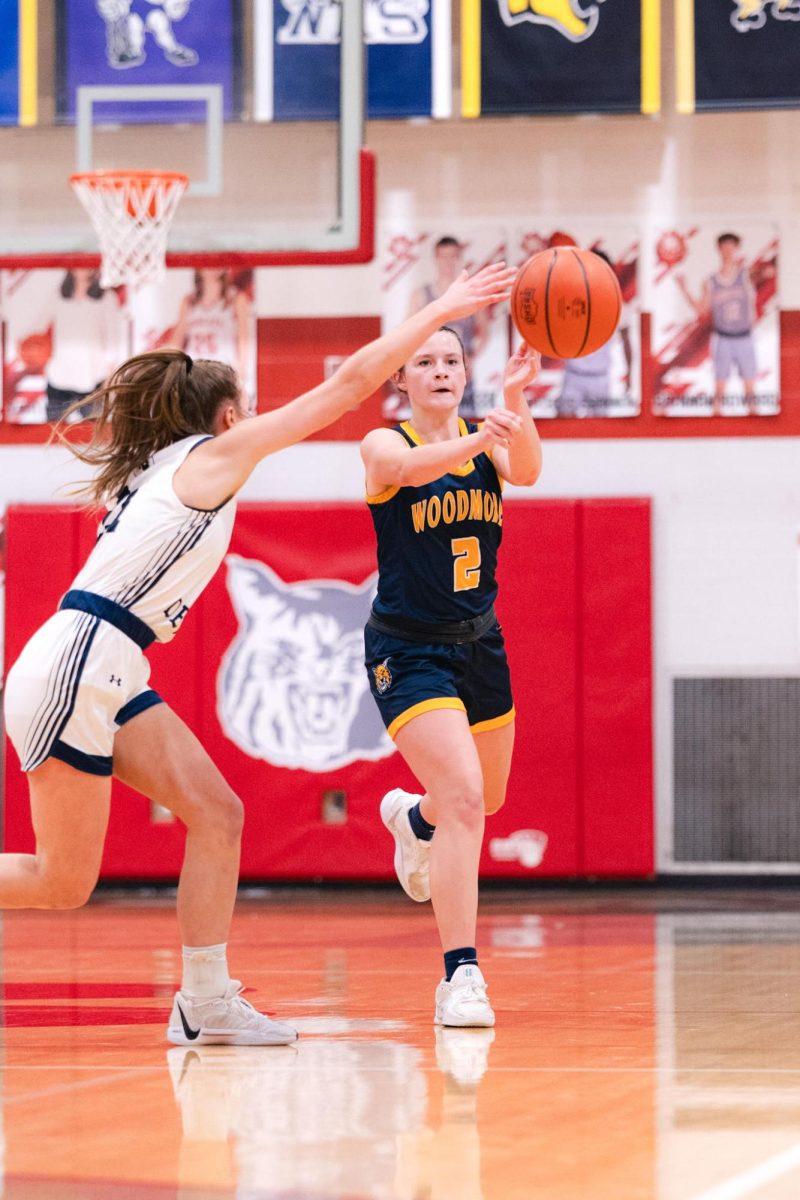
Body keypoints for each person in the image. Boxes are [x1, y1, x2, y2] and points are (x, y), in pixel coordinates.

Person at [2, 260, 516, 1047]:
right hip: (80, 663)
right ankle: (203, 1003)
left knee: (218, 814)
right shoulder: (211, 457)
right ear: (230, 416)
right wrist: (441, 307)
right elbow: (348, 387)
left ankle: (204, 1004)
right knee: (62, 882)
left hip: (106, 665)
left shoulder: (165, 466)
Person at [361, 326, 543, 1027]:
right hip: (407, 650)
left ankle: (414, 819)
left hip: (479, 644)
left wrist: (517, 397)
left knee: (479, 799)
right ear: (400, 382)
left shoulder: (491, 438)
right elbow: (411, 473)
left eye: (451, 360)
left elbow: (525, 470)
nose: (440, 370)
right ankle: (460, 975)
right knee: (465, 796)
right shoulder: (384, 448)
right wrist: (478, 437)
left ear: (466, 373)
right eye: (424, 363)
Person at [20, 268, 127, 423]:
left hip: (92, 376)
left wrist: (110, 373)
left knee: (93, 436)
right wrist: (25, 344)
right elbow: (40, 322)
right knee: (53, 432)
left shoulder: (106, 297)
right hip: (59, 376)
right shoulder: (59, 295)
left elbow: (113, 338)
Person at [402, 237, 491, 418]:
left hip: (462, 377)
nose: (448, 262)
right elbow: (408, 334)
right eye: (443, 256)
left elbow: (485, 331)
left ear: (459, 258)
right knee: (429, 434)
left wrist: (471, 359)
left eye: (453, 256)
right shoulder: (420, 295)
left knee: (465, 433)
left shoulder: (472, 294)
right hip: (430, 377)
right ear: (436, 258)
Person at [675, 232, 758, 416]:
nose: (728, 252)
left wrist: (748, 264)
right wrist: (684, 288)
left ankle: (756, 426)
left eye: (732, 248)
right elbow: (701, 310)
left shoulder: (746, 275)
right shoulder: (711, 282)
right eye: (725, 248)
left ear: (737, 250)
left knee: (750, 387)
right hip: (723, 338)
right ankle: (716, 426)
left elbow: (767, 272)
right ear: (719, 250)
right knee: (720, 387)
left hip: (745, 336)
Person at [556, 249, 633, 417]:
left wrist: (630, 373)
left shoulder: (618, 305)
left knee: (600, 430)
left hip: (600, 377)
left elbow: (627, 341)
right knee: (561, 426)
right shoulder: (570, 300)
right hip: (573, 374)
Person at [168, 269, 253, 392]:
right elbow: (176, 342)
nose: (212, 266)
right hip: (194, 370)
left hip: (222, 370)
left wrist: (241, 369)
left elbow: (244, 339)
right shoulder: (189, 301)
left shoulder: (236, 299)